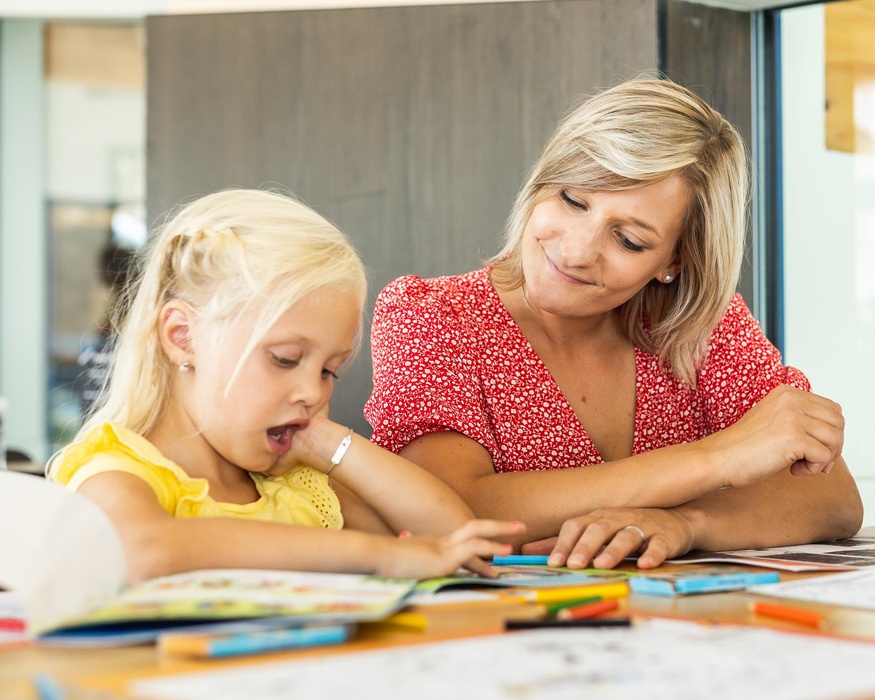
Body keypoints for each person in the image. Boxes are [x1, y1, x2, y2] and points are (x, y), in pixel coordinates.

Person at [365, 77, 863, 571]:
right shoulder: (430, 314)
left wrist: (687, 524)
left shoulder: (703, 325)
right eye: (572, 200)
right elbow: (445, 509)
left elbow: (832, 498)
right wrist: (714, 460)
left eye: (628, 239)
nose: (576, 252)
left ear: (676, 261)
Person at [48, 188, 523, 585]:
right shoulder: (117, 469)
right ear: (182, 337)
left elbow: (453, 535)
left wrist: (331, 443)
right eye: (285, 359)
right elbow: (141, 551)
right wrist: (379, 555)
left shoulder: (297, 482)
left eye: (328, 371)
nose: (313, 393)